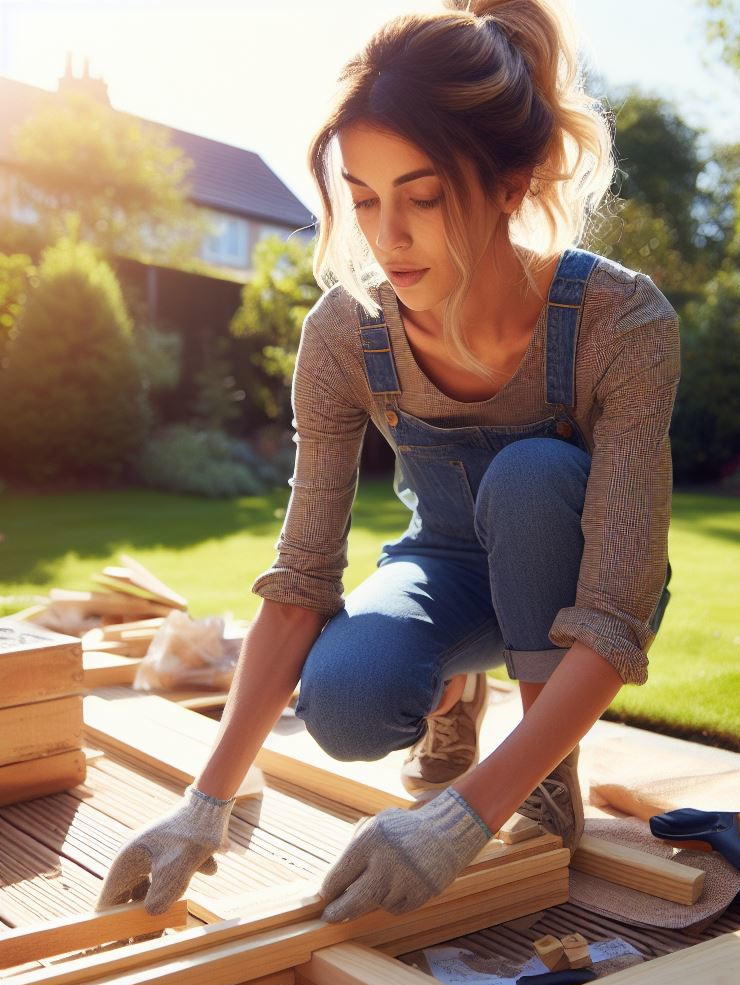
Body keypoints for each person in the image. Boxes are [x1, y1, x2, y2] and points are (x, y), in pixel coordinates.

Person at [95, 0, 680, 925]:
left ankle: (544, 770)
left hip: (564, 576)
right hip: (444, 562)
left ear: (510, 183)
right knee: (346, 703)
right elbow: (300, 580)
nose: (387, 238)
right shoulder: (344, 336)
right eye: (363, 198)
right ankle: (457, 692)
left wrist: (460, 821)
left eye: (423, 195)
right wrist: (201, 808)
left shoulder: (622, 323)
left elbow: (614, 615)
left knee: (530, 476)